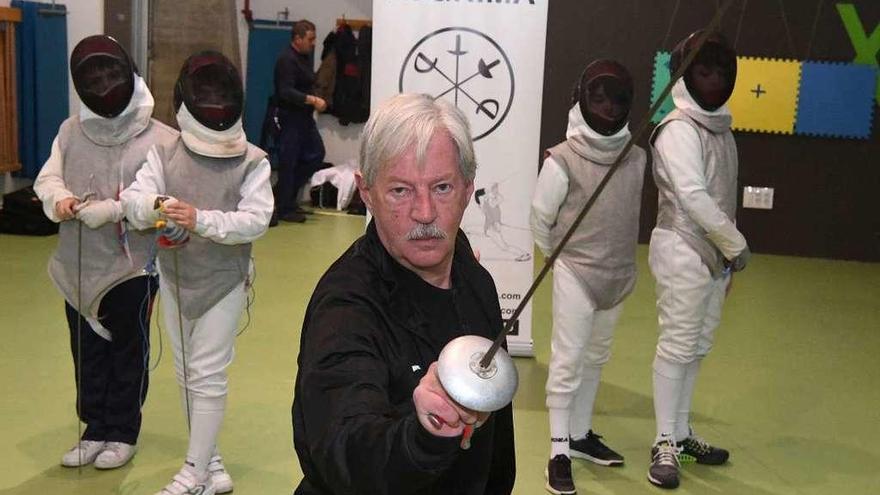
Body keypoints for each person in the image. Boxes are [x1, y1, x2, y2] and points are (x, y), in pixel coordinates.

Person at [291, 93, 516, 495]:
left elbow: (495, 446)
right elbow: (342, 446)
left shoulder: (474, 279)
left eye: (442, 187)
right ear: (366, 191)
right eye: (400, 191)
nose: (425, 212)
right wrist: (423, 434)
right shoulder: (346, 306)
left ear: (468, 189)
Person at [121, 50, 273, 495]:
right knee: (188, 374)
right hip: (174, 275)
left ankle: (193, 472)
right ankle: (212, 464)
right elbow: (134, 199)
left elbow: (257, 219)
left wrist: (201, 219)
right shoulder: (163, 152)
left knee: (207, 373)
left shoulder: (253, 160)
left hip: (224, 281)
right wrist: (155, 208)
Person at [34, 35, 177, 470]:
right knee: (87, 352)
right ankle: (94, 428)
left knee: (127, 352)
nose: (101, 82)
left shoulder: (162, 139)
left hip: (133, 269)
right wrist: (57, 198)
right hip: (77, 266)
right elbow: (47, 177)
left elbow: (165, 207)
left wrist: (114, 210)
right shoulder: (70, 130)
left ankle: (122, 431)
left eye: (109, 73)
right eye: (91, 76)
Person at [531, 59, 645, 495]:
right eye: (598, 98)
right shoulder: (562, 159)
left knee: (595, 358)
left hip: (618, 276)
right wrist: (557, 258)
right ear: (582, 98)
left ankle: (579, 435)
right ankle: (558, 452)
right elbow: (541, 217)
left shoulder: (635, 157)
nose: (608, 107)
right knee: (567, 362)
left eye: (616, 100)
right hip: (576, 270)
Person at [646, 31, 750, 490]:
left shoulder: (721, 130)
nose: (713, 81)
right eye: (703, 71)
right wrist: (735, 245)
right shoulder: (678, 130)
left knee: (697, 345)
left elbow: (724, 197)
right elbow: (692, 196)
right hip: (682, 248)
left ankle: (683, 434)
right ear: (684, 76)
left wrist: (726, 256)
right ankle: (664, 441)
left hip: (713, 255)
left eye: (721, 72)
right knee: (677, 343)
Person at [272, 19, 327, 224]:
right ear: (297, 39)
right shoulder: (286, 60)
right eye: (310, 39)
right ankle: (285, 207)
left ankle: (282, 196)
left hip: (304, 118)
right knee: (289, 163)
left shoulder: (303, 58)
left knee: (316, 154)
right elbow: (285, 91)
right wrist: (312, 99)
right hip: (290, 118)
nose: (313, 43)